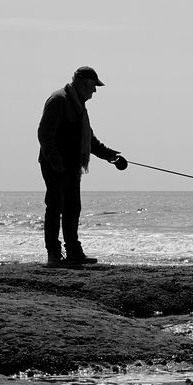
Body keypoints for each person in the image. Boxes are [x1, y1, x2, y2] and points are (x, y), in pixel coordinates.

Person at [37, 66, 128, 267]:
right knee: (55, 208)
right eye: (93, 86)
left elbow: (89, 140)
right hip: (55, 167)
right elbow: (44, 134)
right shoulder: (59, 100)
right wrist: (56, 161)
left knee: (72, 208)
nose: (95, 91)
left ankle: (74, 252)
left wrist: (109, 155)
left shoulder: (78, 105)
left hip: (72, 166)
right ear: (82, 83)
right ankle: (53, 254)